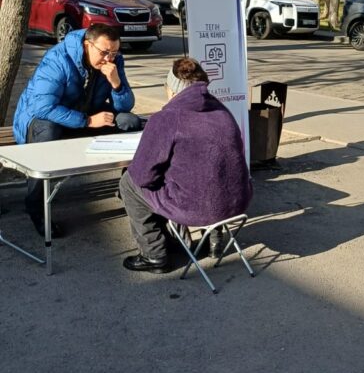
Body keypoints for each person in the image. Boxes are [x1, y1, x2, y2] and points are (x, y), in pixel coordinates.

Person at [119, 57, 252, 272]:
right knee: (210, 173)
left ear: (171, 89)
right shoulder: (223, 111)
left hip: (195, 207)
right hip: (236, 202)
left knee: (129, 182)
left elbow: (143, 176)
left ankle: (154, 255)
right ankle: (214, 242)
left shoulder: (167, 118)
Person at [13, 23, 142, 237]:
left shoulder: (114, 61)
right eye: (104, 52)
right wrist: (88, 121)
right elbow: (42, 107)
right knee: (47, 132)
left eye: (114, 53)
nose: (109, 59)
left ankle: (127, 188)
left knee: (130, 122)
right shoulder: (58, 59)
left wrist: (117, 84)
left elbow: (125, 106)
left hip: (85, 115)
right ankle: (36, 205)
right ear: (87, 45)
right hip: (46, 120)